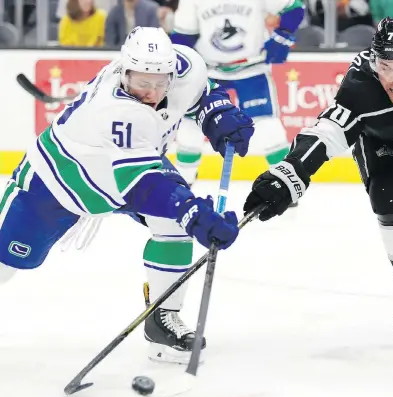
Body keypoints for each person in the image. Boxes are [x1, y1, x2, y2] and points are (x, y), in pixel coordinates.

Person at [0, 26, 254, 363]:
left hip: (130, 167)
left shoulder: (185, 67)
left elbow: (203, 93)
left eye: (159, 83)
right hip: (58, 182)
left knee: (174, 224)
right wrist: (191, 211)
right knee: (6, 260)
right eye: (140, 82)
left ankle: (163, 323)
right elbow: (143, 187)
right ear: (123, 71)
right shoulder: (116, 111)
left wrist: (217, 115)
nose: (150, 92)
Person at [243, 18, 393, 348]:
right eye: (384, 66)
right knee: (390, 204)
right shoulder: (360, 87)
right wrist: (288, 174)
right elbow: (328, 131)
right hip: (386, 147)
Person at [169, 0, 305, 186]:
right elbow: (183, 36)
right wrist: (183, 64)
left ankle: (284, 181)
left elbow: (294, 8)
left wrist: (283, 35)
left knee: (267, 126)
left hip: (253, 68)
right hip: (208, 70)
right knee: (191, 124)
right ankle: (184, 178)